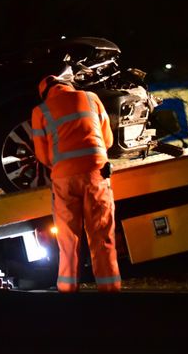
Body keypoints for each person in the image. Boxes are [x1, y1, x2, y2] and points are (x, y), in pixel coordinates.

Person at [31, 75, 121, 292]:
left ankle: (67, 287)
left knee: (67, 238)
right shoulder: (91, 97)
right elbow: (107, 139)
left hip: (64, 178)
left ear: (45, 93)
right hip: (95, 173)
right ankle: (110, 289)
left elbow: (42, 155)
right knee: (102, 235)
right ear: (68, 84)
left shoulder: (40, 111)